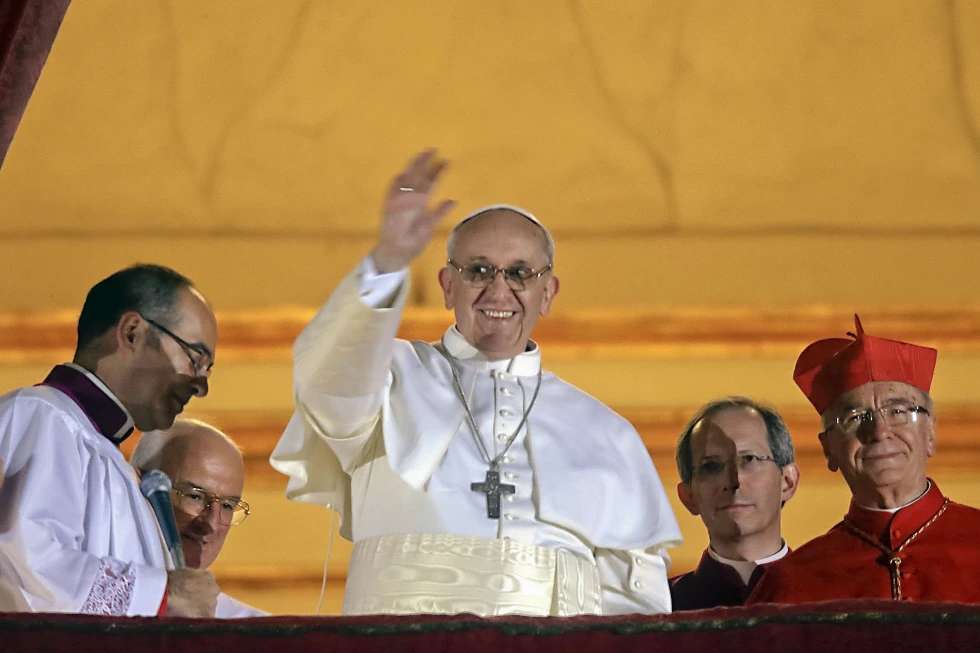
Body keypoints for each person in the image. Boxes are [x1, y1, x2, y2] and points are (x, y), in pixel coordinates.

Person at [271, 150, 681, 616]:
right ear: (448, 286)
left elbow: (636, 601)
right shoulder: (390, 376)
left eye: (520, 273)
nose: (499, 290)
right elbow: (329, 383)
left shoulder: (606, 433)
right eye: (479, 271)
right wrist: (387, 261)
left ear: (547, 294)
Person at [0, 264, 220, 616]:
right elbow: (24, 564)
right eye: (195, 359)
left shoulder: (118, 466)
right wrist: (164, 592)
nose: (202, 386)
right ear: (132, 332)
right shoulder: (41, 416)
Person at [749, 316, 980, 603]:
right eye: (855, 418)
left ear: (930, 433)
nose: (880, 431)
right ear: (829, 449)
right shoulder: (792, 581)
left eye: (898, 412)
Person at [669, 397, 799, 610]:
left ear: (787, 482)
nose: (734, 481)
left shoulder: (835, 600)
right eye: (711, 466)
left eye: (749, 459)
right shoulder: (661, 609)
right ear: (688, 496)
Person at [132, 419, 265, 618]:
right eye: (195, 496)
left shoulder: (251, 633)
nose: (211, 524)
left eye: (228, 506)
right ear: (138, 487)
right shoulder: (86, 591)